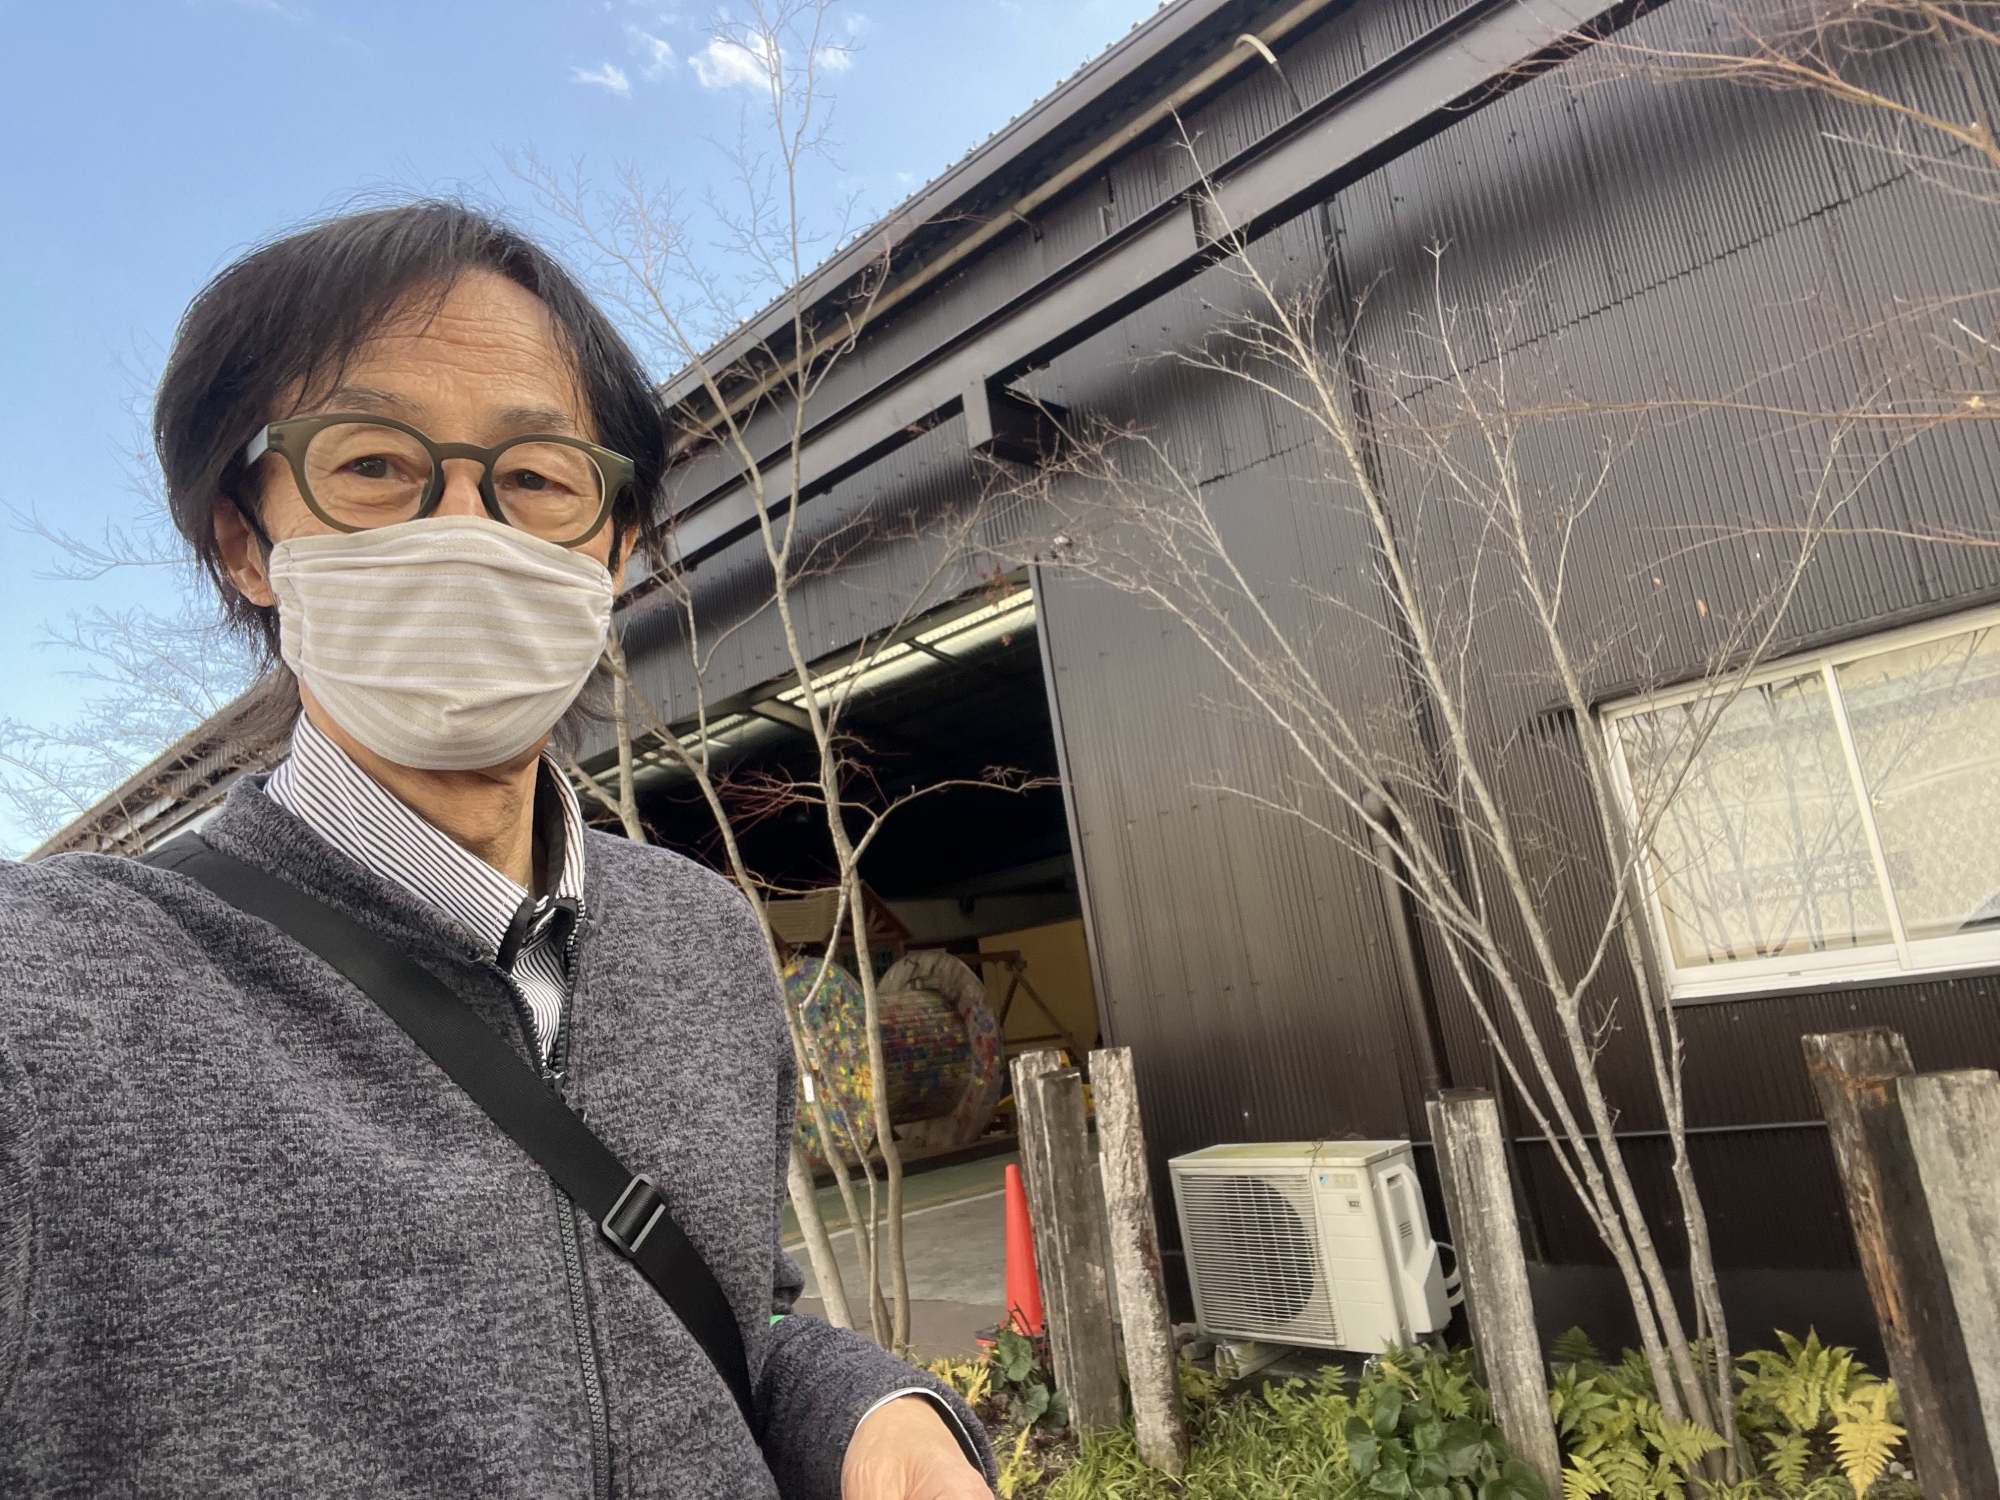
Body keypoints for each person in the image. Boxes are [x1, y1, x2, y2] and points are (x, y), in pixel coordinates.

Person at [0, 203, 996, 1499]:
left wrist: (872, 1415)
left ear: (615, 549)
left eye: (535, 479)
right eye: (373, 463)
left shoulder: (702, 936)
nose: (464, 528)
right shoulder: (56, 992)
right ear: (246, 540)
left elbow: (738, 1323)